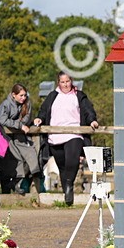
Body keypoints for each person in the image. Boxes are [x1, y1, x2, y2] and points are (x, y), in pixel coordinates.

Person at [32, 73, 99, 206]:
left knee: (71, 161)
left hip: (75, 134)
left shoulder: (78, 95)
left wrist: (92, 121)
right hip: (55, 136)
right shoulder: (53, 96)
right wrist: (40, 118)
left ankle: (68, 186)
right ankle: (67, 195)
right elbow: (44, 110)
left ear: (71, 81)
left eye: (68, 81)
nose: (65, 84)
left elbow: (88, 110)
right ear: (58, 83)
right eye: (62, 82)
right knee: (62, 166)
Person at [0, 84, 43, 195]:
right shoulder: (6, 104)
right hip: (5, 135)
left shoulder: (27, 104)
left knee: (31, 154)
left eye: (25, 95)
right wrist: (19, 125)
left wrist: (29, 123)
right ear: (13, 95)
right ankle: (13, 184)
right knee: (15, 159)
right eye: (21, 95)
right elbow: (1, 120)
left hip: (19, 134)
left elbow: (26, 119)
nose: (23, 98)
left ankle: (31, 174)